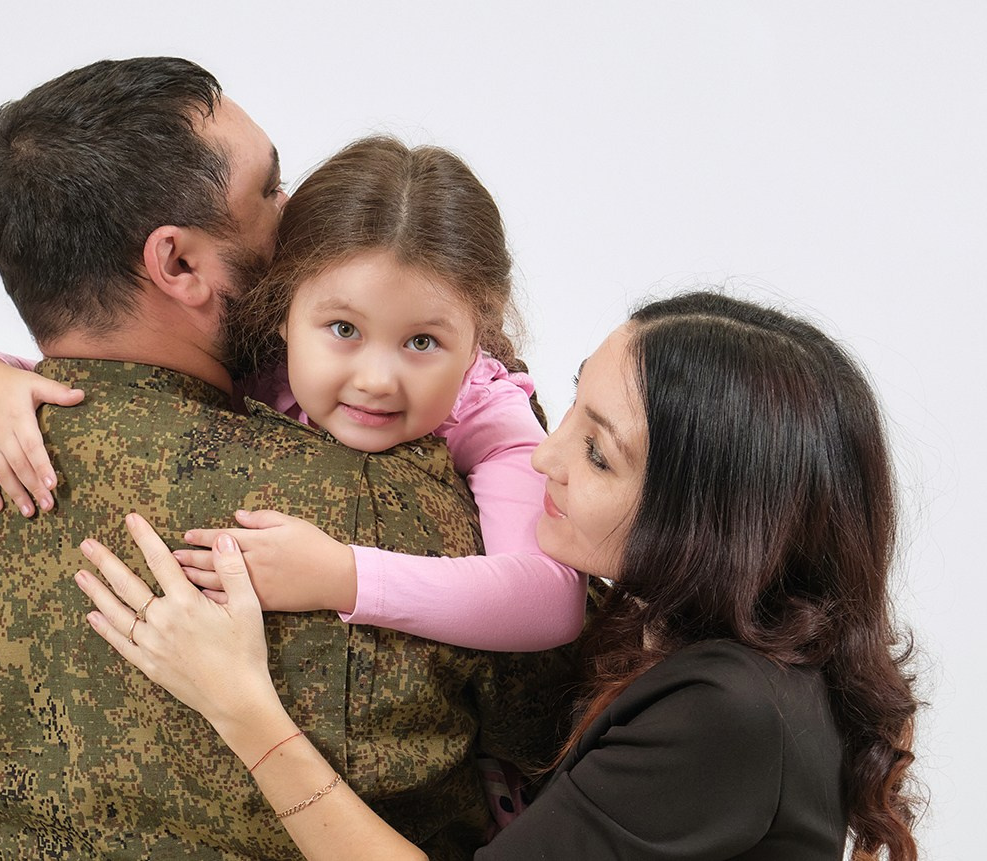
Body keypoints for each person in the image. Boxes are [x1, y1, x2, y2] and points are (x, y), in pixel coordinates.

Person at [0, 57, 580, 860]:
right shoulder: (401, 502)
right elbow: (562, 722)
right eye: (270, 189)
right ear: (179, 264)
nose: (295, 214)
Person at [78, 291, 922, 860]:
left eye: (597, 452)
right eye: (572, 407)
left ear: (708, 523)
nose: (545, 457)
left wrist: (241, 703)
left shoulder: (727, 714)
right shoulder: (686, 634)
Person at [0, 136, 589, 653]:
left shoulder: (487, 414)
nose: (376, 379)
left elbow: (548, 601)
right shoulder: (262, 368)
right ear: (280, 309)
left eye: (422, 342)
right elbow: (112, 364)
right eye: (344, 330)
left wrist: (342, 576)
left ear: (478, 329)